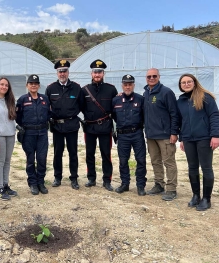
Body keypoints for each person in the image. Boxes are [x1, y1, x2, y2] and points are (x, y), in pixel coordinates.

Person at [177, 74, 219, 211]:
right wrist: (182, 138)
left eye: (189, 81)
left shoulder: (205, 97)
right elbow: (181, 121)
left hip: (204, 138)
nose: (186, 84)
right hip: (188, 139)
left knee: (206, 168)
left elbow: (214, 115)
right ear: (180, 85)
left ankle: (206, 199)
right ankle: (196, 195)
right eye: (183, 82)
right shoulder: (181, 101)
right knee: (192, 167)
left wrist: (215, 135)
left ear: (194, 83)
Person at [81, 59, 118, 191]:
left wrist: (117, 128)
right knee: (89, 154)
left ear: (103, 74)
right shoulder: (84, 90)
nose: (97, 75)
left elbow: (115, 109)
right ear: (91, 74)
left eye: (100, 72)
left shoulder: (111, 89)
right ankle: (91, 178)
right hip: (90, 127)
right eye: (95, 72)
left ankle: (107, 180)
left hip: (105, 127)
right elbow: (79, 107)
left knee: (106, 154)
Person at [45, 60, 83, 190]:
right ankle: (57, 177)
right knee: (57, 153)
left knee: (73, 153)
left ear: (68, 72)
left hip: (72, 125)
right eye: (60, 71)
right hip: (57, 126)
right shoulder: (50, 88)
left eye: (64, 71)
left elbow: (82, 105)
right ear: (57, 72)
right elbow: (46, 107)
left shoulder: (76, 88)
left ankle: (74, 178)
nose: (62, 74)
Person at [143, 68, 180, 201]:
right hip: (151, 135)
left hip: (165, 135)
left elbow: (174, 113)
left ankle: (171, 188)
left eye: (154, 76)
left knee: (169, 161)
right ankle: (159, 184)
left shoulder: (166, 92)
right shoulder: (146, 92)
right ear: (146, 78)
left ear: (159, 77)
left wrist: (174, 132)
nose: (151, 78)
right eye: (149, 76)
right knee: (155, 161)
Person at [112, 74, 147, 196]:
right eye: (125, 84)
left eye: (130, 84)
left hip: (137, 133)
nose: (127, 87)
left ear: (133, 85)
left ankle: (140, 185)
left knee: (141, 160)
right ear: (122, 86)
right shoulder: (115, 100)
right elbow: (114, 116)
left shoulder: (140, 99)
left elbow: (144, 117)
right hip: (122, 136)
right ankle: (125, 184)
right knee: (123, 161)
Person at [16, 74, 51, 195]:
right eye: (31, 83)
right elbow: (18, 117)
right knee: (30, 159)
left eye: (35, 84)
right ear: (27, 86)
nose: (33, 85)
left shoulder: (45, 99)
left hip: (42, 133)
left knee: (42, 158)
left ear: (39, 86)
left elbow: (49, 114)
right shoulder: (22, 100)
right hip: (28, 133)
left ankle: (40, 182)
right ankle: (32, 183)